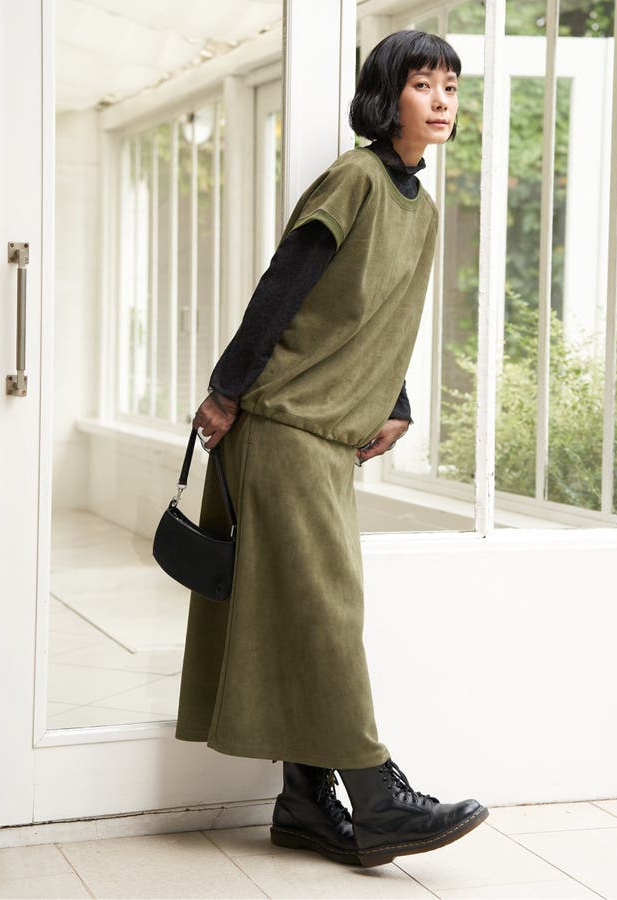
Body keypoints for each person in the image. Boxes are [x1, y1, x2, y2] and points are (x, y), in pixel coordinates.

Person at [176, 29, 489, 868]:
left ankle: (304, 804)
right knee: (326, 611)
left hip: (326, 436)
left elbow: (383, 315)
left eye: (452, 87)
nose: (442, 101)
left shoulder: (421, 207)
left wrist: (396, 402)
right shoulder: (355, 178)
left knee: (298, 610)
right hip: (282, 425)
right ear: (388, 96)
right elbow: (286, 284)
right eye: (423, 84)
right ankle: (379, 797)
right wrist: (226, 389)